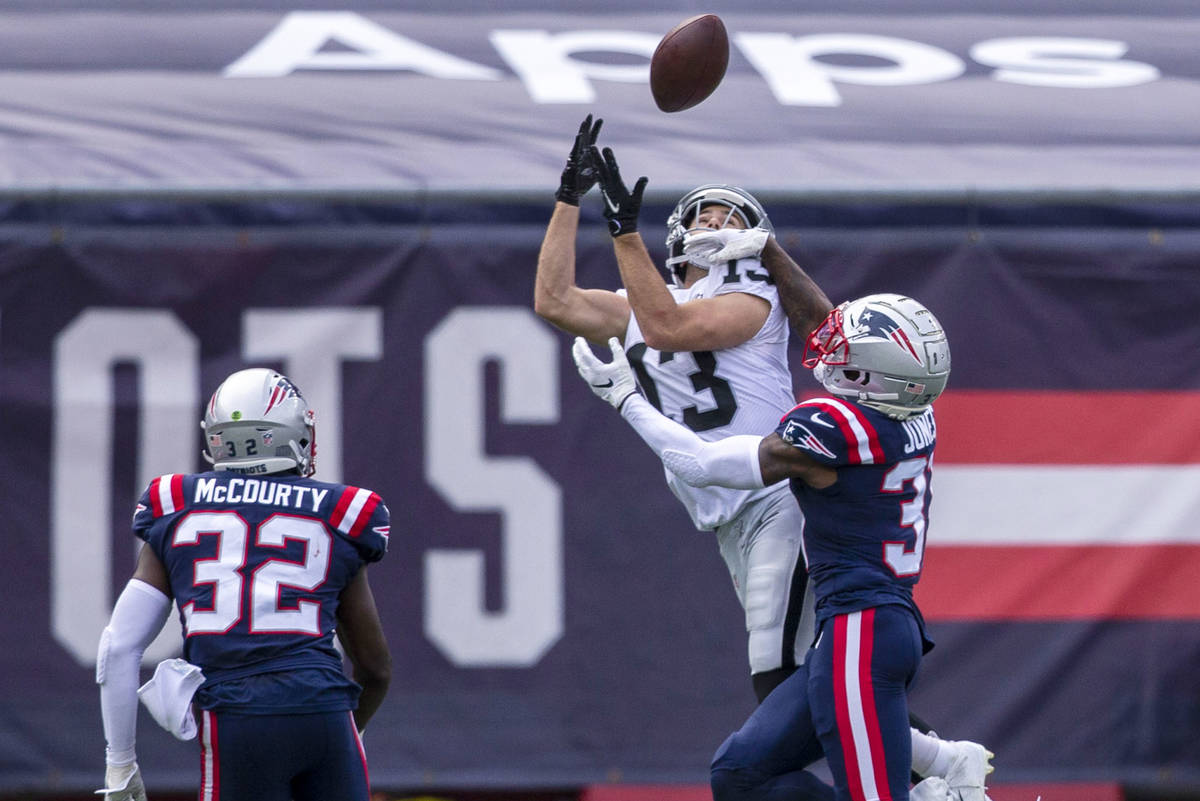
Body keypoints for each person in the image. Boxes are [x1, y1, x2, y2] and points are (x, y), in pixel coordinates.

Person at [539, 115, 992, 801]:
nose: (716, 221)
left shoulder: (751, 301)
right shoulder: (642, 300)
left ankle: (935, 768)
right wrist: (568, 201)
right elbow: (555, 300)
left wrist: (623, 233)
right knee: (799, 684)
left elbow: (670, 327)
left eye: (731, 216)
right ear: (683, 233)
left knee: (781, 678)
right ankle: (933, 766)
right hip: (727, 514)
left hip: (772, 493)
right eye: (707, 213)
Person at [573, 292, 984, 801]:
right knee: (740, 774)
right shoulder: (914, 414)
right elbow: (826, 330)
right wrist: (767, 244)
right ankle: (939, 776)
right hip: (868, 627)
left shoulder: (836, 427)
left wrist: (626, 398)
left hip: (861, 634)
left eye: (852, 348)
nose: (834, 347)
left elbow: (701, 464)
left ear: (870, 377)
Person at [96, 368, 391, 801]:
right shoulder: (338, 512)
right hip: (323, 709)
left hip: (238, 717)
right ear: (291, 432)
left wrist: (120, 764)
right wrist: (350, 728)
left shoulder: (175, 504)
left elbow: (119, 647)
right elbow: (376, 667)